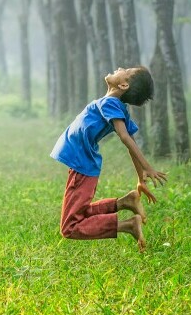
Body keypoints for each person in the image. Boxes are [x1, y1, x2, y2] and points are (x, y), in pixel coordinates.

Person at [50, 66, 166, 251]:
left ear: (123, 84)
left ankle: (128, 225)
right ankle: (124, 202)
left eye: (125, 70)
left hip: (82, 166)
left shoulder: (111, 103)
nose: (120, 68)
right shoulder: (114, 105)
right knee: (80, 213)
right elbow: (130, 140)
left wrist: (147, 167)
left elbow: (126, 137)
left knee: (70, 227)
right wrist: (140, 178)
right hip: (82, 165)